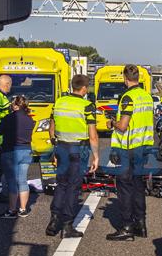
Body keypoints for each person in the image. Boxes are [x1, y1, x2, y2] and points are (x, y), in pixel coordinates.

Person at [45, 74, 99, 238]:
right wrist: (95, 156)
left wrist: (55, 147)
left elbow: (51, 128)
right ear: (84, 88)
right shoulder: (87, 106)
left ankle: (54, 221)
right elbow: (93, 135)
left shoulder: (59, 103)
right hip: (78, 148)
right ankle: (67, 225)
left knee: (61, 184)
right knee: (73, 186)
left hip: (61, 147)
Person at [106, 64, 154, 242]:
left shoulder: (127, 97)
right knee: (138, 186)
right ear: (139, 77)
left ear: (125, 78)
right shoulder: (147, 97)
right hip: (144, 147)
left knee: (125, 187)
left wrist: (112, 123)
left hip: (128, 149)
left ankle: (127, 227)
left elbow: (123, 125)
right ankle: (141, 225)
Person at [0, 95, 34, 219]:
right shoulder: (30, 120)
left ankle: (12, 209)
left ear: (15, 105)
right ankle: (23, 209)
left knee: (12, 181)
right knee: (23, 180)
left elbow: (0, 131)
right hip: (26, 150)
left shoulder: (9, 118)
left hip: (11, 150)